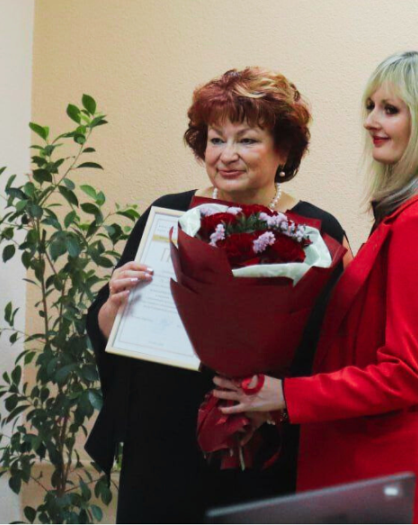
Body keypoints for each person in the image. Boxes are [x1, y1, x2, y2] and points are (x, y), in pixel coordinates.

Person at [213, 51, 418, 524]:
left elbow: (405, 374)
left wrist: (287, 396)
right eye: (370, 106)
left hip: (399, 477)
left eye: (390, 109)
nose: (371, 121)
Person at [85, 67, 350, 523]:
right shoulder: (167, 214)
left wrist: (279, 399)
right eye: (215, 139)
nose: (227, 155)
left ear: (283, 149)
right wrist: (114, 304)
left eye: (246, 140)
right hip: (164, 445)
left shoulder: (316, 231)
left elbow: (335, 350)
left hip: (265, 445)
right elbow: (107, 332)